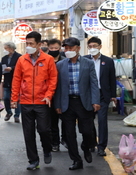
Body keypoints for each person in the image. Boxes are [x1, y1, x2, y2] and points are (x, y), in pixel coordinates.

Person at [11, 31, 58, 170]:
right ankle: (33, 160)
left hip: (42, 101)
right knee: (28, 132)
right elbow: (16, 80)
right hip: (25, 102)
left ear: (39, 44)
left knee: (44, 130)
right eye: (27, 44)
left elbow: (53, 79)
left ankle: (47, 149)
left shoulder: (48, 59)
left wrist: (49, 95)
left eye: (31, 44)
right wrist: (14, 99)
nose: (29, 46)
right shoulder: (21, 60)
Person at [54, 37, 100, 170]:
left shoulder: (88, 63)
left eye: (71, 48)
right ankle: (76, 160)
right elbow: (58, 87)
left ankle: (86, 146)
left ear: (78, 49)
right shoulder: (60, 65)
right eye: (66, 48)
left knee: (87, 131)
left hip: (83, 102)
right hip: (67, 103)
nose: (68, 50)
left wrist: (95, 100)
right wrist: (57, 104)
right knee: (69, 134)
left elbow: (93, 83)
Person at [84, 37, 117, 157]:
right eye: (90, 46)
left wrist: (113, 95)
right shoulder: (84, 60)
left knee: (102, 121)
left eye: (95, 46)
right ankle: (92, 142)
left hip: (103, 94)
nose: (93, 48)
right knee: (89, 120)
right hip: (89, 94)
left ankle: (102, 146)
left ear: (100, 46)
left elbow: (112, 78)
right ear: (88, 47)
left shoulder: (108, 61)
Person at [47, 38, 67, 152]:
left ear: (60, 48)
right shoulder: (45, 61)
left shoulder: (64, 60)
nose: (54, 50)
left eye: (56, 48)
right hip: (50, 95)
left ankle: (65, 139)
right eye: (51, 48)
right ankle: (55, 143)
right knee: (52, 121)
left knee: (66, 120)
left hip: (63, 94)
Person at [1, 42, 21, 123]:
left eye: (6, 48)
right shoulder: (4, 58)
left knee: (17, 99)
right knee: (6, 98)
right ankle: (9, 112)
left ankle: (17, 115)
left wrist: (12, 68)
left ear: (11, 48)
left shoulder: (19, 57)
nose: (5, 50)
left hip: (16, 80)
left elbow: (21, 67)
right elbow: (2, 66)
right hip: (7, 80)